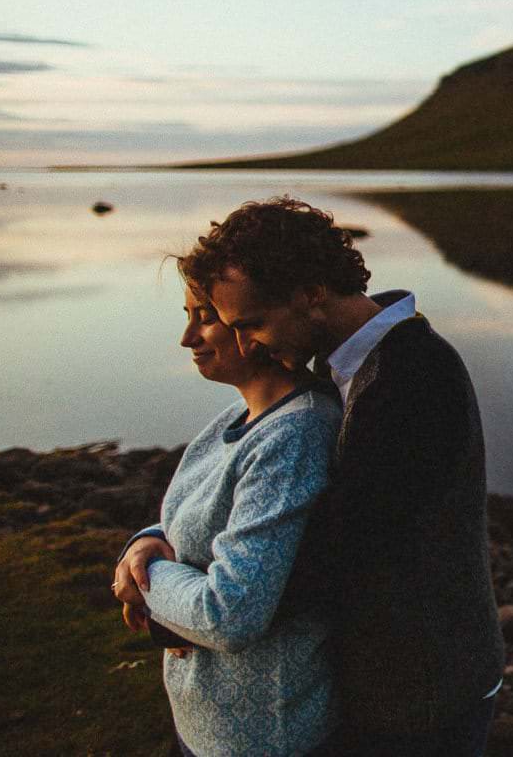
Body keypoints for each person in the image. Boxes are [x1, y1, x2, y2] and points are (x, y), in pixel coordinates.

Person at [178, 196, 506, 757]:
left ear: (310, 294)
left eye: (252, 324)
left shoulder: (413, 379)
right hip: (381, 683)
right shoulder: (339, 367)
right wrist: (158, 542)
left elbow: (338, 553)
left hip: (425, 693)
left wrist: (181, 602)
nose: (245, 343)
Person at [112, 282, 342, 756]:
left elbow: (229, 614)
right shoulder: (234, 418)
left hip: (262, 735)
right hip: (205, 723)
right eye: (188, 314)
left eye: (206, 317)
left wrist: (147, 577)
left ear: (252, 325)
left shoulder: (295, 434)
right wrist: (145, 542)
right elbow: (189, 522)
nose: (187, 337)